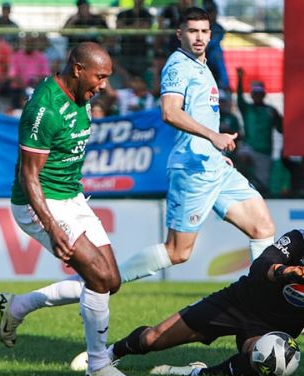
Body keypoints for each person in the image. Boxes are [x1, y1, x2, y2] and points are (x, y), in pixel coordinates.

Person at [72, 207, 304, 376]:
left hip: (267, 331)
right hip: (233, 305)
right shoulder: (300, 240)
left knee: (270, 358)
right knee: (151, 340)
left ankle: (200, 374)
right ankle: (106, 354)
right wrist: (287, 272)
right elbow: (260, 267)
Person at [0, 42, 130, 376]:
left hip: (71, 197)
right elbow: (29, 176)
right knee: (96, 277)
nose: (103, 86)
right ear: (78, 70)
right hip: (38, 202)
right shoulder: (45, 108)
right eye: (100, 77)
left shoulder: (81, 96)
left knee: (110, 281)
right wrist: (53, 227)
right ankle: (99, 365)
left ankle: (18, 306)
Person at [116, 7, 276, 284]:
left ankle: (268, 306)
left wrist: (213, 151)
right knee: (177, 252)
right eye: (192, 31)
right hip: (192, 170)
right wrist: (213, 138)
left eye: (204, 31)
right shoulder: (178, 66)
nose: (199, 37)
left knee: (262, 227)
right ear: (180, 34)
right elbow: (170, 111)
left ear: (210, 35)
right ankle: (106, 281)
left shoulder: (202, 67)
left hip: (213, 164)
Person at [235, 67, 283, 194]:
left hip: (265, 152)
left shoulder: (271, 110)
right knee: (242, 157)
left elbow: (281, 129)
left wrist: (278, 118)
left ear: (264, 94)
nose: (257, 95)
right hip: (249, 147)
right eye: (255, 93)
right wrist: (240, 79)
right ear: (251, 94)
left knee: (263, 186)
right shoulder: (247, 109)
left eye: (260, 93)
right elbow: (239, 99)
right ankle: (242, 186)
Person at [115, 0, 153, 78]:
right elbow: (119, 30)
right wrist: (137, 26)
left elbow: (142, 33)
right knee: (125, 78)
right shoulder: (122, 14)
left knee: (140, 79)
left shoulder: (147, 15)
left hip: (141, 53)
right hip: (125, 52)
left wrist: (127, 28)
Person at [202, 0, 230, 94]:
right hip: (202, 59)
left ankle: (224, 86)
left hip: (212, 60)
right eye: (209, 11)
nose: (212, 14)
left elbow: (212, 43)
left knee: (217, 53)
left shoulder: (218, 28)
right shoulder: (200, 28)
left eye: (213, 11)